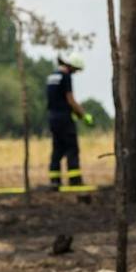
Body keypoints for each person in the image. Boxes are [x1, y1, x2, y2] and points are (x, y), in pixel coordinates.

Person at [45, 55, 92, 190]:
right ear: (71, 66)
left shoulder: (51, 77)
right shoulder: (66, 77)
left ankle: (55, 181)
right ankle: (75, 180)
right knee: (72, 148)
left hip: (52, 118)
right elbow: (70, 100)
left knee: (57, 149)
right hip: (64, 118)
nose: (76, 72)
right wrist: (83, 115)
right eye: (76, 70)